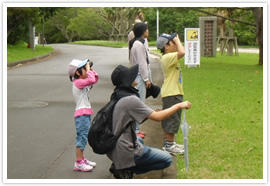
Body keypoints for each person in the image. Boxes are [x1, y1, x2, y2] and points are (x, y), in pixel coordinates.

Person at [107, 64, 192, 178]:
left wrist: (152, 111)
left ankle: (122, 164)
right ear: (126, 81)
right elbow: (158, 117)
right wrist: (179, 105)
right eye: (131, 76)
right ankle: (125, 168)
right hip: (124, 149)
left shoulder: (118, 95)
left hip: (114, 146)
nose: (135, 77)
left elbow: (134, 114)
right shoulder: (130, 100)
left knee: (139, 140)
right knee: (166, 159)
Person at [156, 33, 186, 155]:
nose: (175, 44)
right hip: (171, 93)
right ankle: (169, 145)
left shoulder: (169, 57)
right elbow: (182, 52)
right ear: (166, 46)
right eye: (172, 42)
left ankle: (170, 143)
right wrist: (177, 40)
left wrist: (175, 40)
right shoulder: (167, 58)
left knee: (173, 119)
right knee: (171, 120)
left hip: (174, 92)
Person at [68, 59, 99, 172]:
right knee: (81, 137)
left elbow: (94, 78)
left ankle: (82, 159)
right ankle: (78, 162)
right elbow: (91, 79)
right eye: (84, 68)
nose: (87, 70)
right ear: (77, 72)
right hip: (81, 115)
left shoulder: (82, 81)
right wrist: (88, 70)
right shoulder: (78, 83)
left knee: (84, 137)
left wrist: (89, 69)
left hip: (85, 113)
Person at [129, 22, 152, 139]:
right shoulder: (139, 45)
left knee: (139, 103)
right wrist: (146, 79)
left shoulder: (138, 43)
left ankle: (136, 129)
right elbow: (142, 64)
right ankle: (136, 130)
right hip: (139, 77)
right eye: (147, 29)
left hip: (137, 76)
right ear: (143, 31)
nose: (148, 31)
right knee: (140, 104)